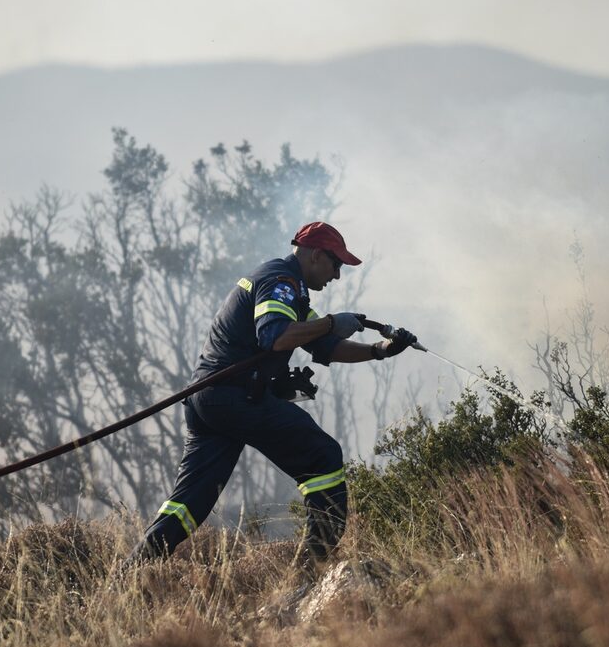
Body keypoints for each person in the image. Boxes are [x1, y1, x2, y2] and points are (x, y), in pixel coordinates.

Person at [129, 221, 418, 575]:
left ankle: (125, 578)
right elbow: (276, 336)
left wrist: (380, 349)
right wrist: (330, 322)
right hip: (234, 397)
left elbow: (323, 346)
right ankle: (312, 569)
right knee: (323, 456)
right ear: (315, 255)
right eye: (336, 264)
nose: (338, 276)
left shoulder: (292, 291)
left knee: (188, 505)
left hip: (209, 401)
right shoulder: (281, 281)